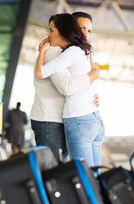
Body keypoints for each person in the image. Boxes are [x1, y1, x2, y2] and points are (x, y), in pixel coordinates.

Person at [35, 13, 105, 168]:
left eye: (89, 31)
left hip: (75, 117)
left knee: (81, 175)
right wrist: (94, 74)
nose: (86, 34)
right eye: (82, 28)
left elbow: (88, 72)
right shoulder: (55, 52)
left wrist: (93, 83)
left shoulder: (75, 51)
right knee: (82, 175)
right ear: (70, 29)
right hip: (52, 119)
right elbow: (68, 87)